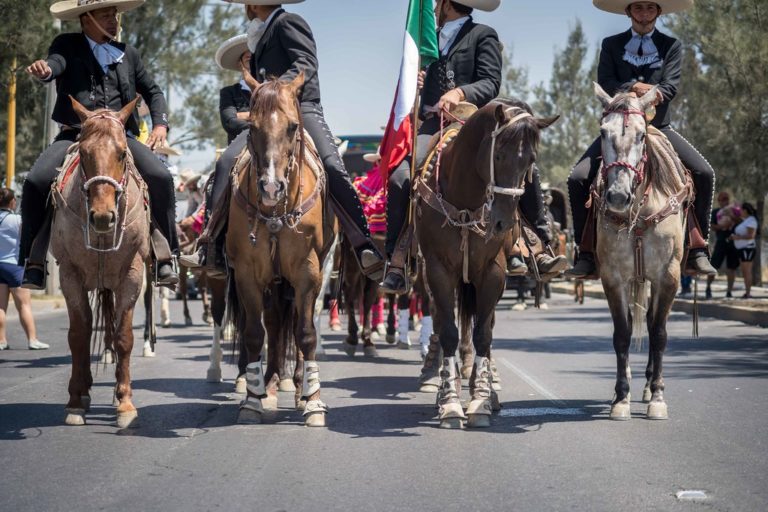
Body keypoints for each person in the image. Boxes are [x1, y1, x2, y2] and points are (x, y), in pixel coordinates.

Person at [380, 0, 567, 294]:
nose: (433, 8)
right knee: (400, 177)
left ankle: (536, 244)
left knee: (523, 167)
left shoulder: (482, 34)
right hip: (433, 124)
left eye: (436, 3)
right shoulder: (426, 41)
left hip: (475, 124)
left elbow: (491, 82)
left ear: (446, 4)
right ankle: (398, 259)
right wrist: (417, 84)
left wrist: (459, 92)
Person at [188, 0, 384, 280]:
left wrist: (274, 90)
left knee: (332, 164)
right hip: (266, 117)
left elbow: (306, 63)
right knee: (226, 162)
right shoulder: (262, 34)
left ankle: (363, 244)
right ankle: (211, 245)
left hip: (300, 109)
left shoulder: (288, 22)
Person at [21, 0, 178, 290]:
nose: (113, 21)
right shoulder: (67, 44)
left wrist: (160, 124)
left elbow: (154, 91)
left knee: (161, 177)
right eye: (105, 15)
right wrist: (45, 71)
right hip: (77, 135)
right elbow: (55, 65)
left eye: (114, 15)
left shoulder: (129, 53)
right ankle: (33, 261)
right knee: (35, 181)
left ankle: (166, 256)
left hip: (120, 137)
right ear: (86, 20)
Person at [566, 0, 717, 279]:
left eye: (650, 8)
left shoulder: (671, 45)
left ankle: (698, 249)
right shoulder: (611, 44)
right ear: (628, 11)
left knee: (704, 173)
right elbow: (606, 80)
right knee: (577, 178)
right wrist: (638, 86)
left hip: (658, 127)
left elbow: (670, 86)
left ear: (658, 11)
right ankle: (585, 252)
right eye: (638, 8)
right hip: (620, 127)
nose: (644, 14)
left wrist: (649, 92)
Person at [0, 189, 49, 351]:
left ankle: (1, 341)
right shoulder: (17, 219)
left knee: (1, 307)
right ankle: (32, 340)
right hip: (15, 266)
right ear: (12, 202)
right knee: (24, 305)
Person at [215, 34, 253, 145]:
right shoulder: (229, 92)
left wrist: (242, 115)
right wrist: (262, 123)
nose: (253, 63)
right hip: (241, 145)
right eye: (248, 59)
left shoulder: (272, 91)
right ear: (240, 64)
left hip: (271, 144)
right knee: (226, 159)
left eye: (256, 59)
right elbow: (229, 122)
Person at [706, 191, 739, 299]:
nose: (725, 201)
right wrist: (722, 227)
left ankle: (729, 292)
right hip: (720, 241)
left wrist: (731, 216)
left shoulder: (734, 210)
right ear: (719, 201)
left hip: (733, 242)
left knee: (731, 268)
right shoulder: (715, 212)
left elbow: (740, 221)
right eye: (722, 199)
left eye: (726, 199)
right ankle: (708, 288)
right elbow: (712, 226)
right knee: (713, 266)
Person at [729, 202, 758, 299]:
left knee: (747, 271)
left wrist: (737, 237)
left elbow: (751, 236)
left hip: (748, 248)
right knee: (744, 272)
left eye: (741, 210)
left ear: (745, 210)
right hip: (742, 249)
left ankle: (748, 293)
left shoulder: (751, 221)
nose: (740, 211)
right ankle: (747, 292)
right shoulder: (745, 220)